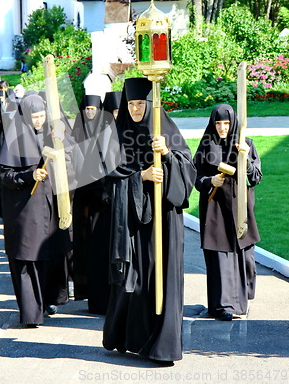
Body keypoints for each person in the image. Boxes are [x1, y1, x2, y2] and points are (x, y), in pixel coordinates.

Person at [102, 77, 196, 365]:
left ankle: (161, 346)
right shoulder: (120, 135)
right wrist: (140, 177)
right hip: (133, 223)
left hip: (165, 221)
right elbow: (108, 178)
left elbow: (188, 171)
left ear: (151, 105)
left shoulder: (167, 132)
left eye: (141, 104)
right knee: (137, 279)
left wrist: (166, 155)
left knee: (162, 277)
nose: (135, 110)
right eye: (131, 104)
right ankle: (130, 338)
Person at [0, 94, 80, 327]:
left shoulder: (50, 133)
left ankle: (48, 301)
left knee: (51, 253)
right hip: (25, 210)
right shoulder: (14, 137)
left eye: (42, 116)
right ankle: (31, 313)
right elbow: (5, 175)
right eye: (34, 117)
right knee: (27, 257)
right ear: (25, 116)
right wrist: (29, 175)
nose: (39, 121)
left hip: (50, 206)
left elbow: (71, 160)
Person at [193, 104, 262, 321]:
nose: (222, 128)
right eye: (218, 123)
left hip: (241, 207)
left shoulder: (246, 144)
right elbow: (195, 177)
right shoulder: (205, 146)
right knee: (220, 256)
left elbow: (255, 177)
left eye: (226, 123)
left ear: (233, 124)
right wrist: (209, 181)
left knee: (246, 255)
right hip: (215, 209)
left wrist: (246, 158)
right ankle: (222, 305)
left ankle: (243, 298)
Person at [71, 94, 120, 314]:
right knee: (94, 251)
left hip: (111, 203)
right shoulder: (79, 134)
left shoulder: (110, 134)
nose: (91, 113)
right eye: (87, 109)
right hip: (91, 205)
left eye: (95, 109)